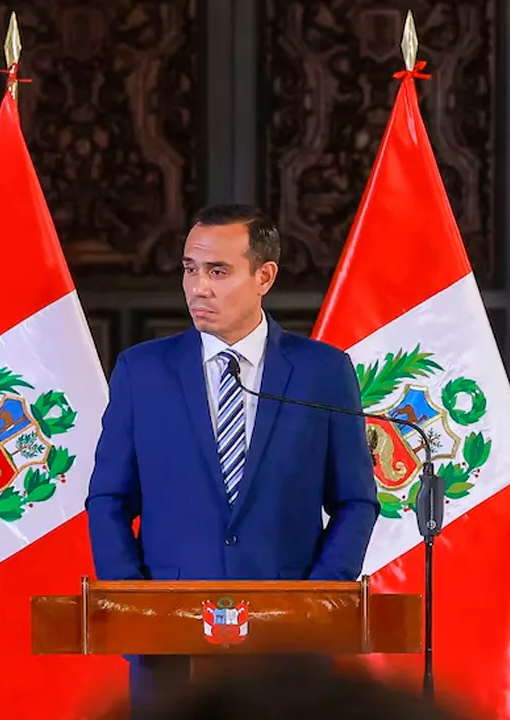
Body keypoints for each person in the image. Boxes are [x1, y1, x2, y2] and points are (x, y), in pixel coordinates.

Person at [84, 204, 379, 712]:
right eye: (190, 269)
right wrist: (135, 606)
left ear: (265, 276)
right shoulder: (142, 371)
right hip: (168, 650)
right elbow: (108, 499)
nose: (198, 288)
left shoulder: (323, 372)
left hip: (289, 650)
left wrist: (315, 605)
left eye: (218, 272)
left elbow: (356, 501)